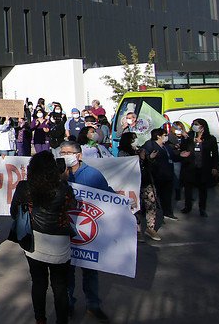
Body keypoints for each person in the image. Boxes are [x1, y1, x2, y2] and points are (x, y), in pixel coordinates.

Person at [11, 151, 78, 324]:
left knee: (39, 283)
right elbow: (73, 205)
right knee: (60, 286)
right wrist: (64, 178)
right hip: (60, 243)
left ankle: (40, 319)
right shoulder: (63, 188)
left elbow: (13, 212)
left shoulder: (24, 187)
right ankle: (62, 321)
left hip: (35, 241)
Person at [59, 141, 111, 323]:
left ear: (79, 155)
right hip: (65, 233)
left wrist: (123, 203)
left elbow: (109, 197)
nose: (65, 155)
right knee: (67, 272)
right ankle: (68, 305)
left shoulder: (93, 175)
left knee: (90, 271)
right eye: (62, 152)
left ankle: (93, 305)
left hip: (88, 234)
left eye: (68, 152)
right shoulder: (58, 174)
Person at [119, 132, 161, 241]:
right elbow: (129, 167)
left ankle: (150, 227)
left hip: (146, 181)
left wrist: (149, 157)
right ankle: (137, 230)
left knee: (150, 204)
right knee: (135, 207)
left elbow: (148, 165)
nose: (135, 141)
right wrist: (140, 159)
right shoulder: (123, 153)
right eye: (133, 139)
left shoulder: (140, 150)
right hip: (132, 183)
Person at [180, 118, 219, 217]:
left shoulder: (210, 138)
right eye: (193, 124)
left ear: (202, 127)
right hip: (190, 166)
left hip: (203, 167)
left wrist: (215, 167)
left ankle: (202, 208)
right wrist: (185, 139)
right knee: (188, 188)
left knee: (203, 189)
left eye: (196, 124)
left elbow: (215, 154)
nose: (194, 126)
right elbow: (183, 148)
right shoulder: (189, 136)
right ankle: (187, 207)